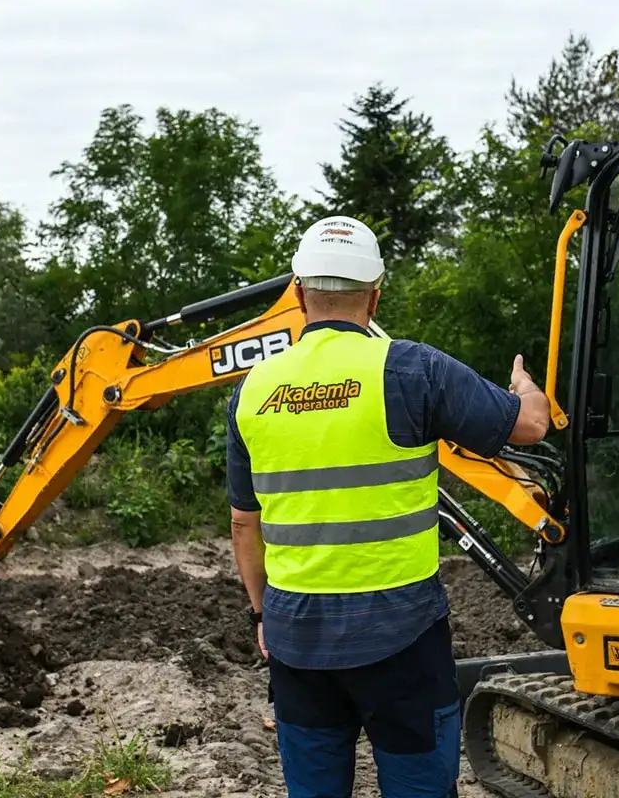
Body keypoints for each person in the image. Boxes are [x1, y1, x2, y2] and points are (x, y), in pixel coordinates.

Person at [224, 216, 550, 797]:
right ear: (375, 295)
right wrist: (525, 387)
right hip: (402, 638)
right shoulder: (411, 369)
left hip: (297, 638)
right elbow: (528, 426)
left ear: (297, 292)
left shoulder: (251, 388)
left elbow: (244, 521)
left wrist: (260, 615)